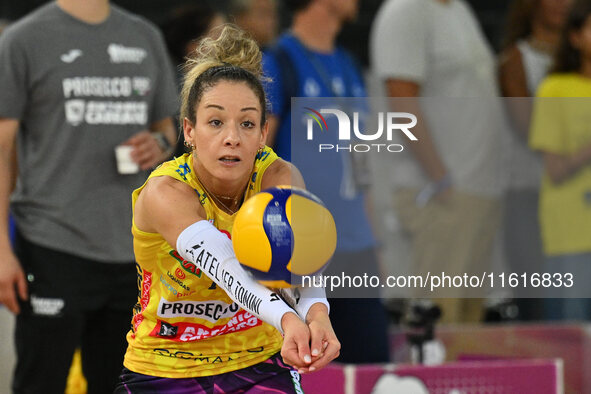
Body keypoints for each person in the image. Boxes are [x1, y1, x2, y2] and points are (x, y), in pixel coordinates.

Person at [116, 24, 339, 393]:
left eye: (247, 123)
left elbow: (302, 257)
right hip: (164, 367)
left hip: (257, 358)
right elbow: (228, 269)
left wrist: (317, 313)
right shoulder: (166, 191)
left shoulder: (279, 176)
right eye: (215, 122)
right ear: (189, 130)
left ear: (263, 133)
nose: (232, 137)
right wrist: (289, 318)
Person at [0, 0, 178, 392]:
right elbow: (2, 149)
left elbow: (168, 127)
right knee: (40, 382)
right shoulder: (23, 40)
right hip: (52, 244)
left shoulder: (144, 36)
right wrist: (1, 248)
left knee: (121, 385)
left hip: (132, 250)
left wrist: (159, 142)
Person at [263, 0, 390, 363]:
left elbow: (359, 162)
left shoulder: (349, 63)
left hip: (357, 246)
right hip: (302, 247)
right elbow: (257, 158)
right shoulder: (279, 62)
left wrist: (374, 239)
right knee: (308, 369)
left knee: (372, 368)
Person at [370, 0, 507, 323]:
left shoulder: (458, 9)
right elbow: (401, 99)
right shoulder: (406, 11)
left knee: (468, 324)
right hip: (442, 195)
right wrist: (441, 179)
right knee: (437, 324)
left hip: (478, 192)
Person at [499, 0, 571, 321]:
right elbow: (528, 127)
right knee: (537, 297)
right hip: (529, 194)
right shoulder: (516, 59)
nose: (562, 4)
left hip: (576, 201)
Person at [529, 0, 591, 321]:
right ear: (576, 37)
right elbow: (555, 169)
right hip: (572, 234)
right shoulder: (555, 88)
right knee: (574, 336)